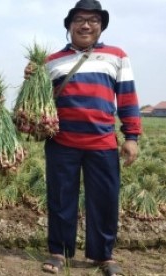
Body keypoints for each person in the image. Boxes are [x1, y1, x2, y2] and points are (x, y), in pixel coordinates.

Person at [24, 0, 141, 275]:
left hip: (102, 142)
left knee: (104, 199)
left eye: (93, 20)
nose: (86, 25)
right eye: (79, 19)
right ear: (69, 26)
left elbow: (127, 97)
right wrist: (31, 77)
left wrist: (131, 136)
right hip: (62, 142)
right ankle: (58, 252)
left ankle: (104, 256)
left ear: (101, 26)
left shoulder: (117, 56)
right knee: (61, 198)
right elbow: (36, 101)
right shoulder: (51, 61)